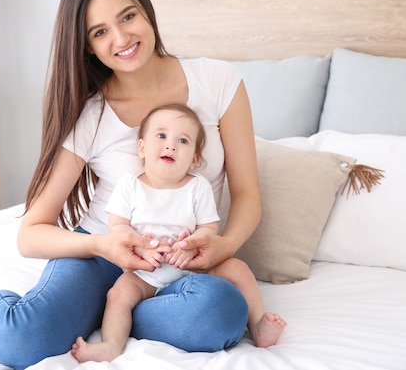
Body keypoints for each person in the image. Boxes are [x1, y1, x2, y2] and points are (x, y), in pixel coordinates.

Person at [0, 0, 266, 369]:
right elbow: (30, 235)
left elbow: (246, 193)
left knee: (221, 312)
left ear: (146, 11)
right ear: (87, 46)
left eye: (128, 16)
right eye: (100, 32)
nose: (122, 38)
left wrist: (223, 247)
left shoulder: (219, 82)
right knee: (24, 339)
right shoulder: (91, 114)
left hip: (181, 266)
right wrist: (101, 245)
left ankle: (114, 315)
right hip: (102, 255)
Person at [71, 104, 285, 363]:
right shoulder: (129, 184)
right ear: (141, 148)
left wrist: (191, 248)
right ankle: (112, 344)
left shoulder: (197, 187)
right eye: (161, 136)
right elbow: (118, 228)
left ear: (194, 158)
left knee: (238, 268)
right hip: (144, 271)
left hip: (191, 267)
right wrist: (142, 248)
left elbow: (207, 229)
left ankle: (258, 324)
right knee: (118, 295)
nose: (171, 145)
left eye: (182, 141)